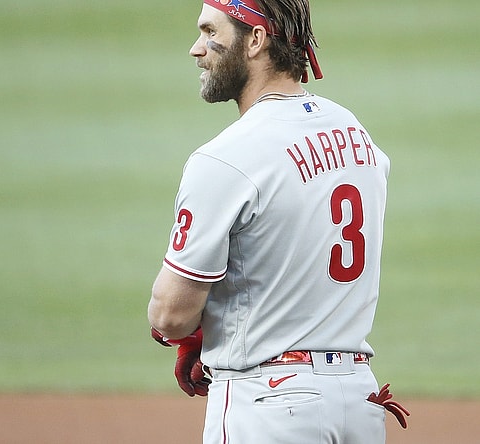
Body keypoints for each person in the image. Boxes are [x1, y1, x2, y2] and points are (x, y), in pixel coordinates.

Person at [146, 0, 409, 442]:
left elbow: (171, 313)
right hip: (358, 402)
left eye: (211, 32)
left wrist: (199, 330)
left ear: (254, 40)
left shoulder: (225, 157)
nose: (197, 48)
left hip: (271, 406)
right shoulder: (355, 133)